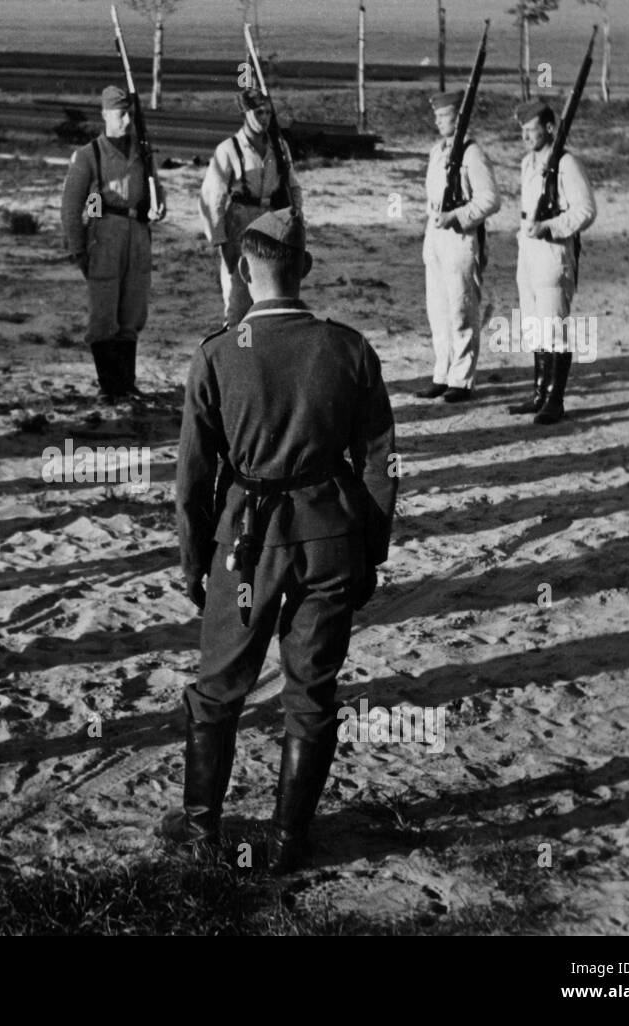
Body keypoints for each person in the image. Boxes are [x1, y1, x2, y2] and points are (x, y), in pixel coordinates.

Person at [167, 209, 396, 874]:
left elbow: (191, 478)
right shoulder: (349, 348)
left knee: (218, 690)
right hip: (330, 536)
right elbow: (380, 464)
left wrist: (191, 561)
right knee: (313, 692)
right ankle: (290, 842)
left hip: (246, 543)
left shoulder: (215, 355)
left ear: (243, 269)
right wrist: (369, 554)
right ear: (305, 269)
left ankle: (199, 830)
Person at [60, 85, 165, 402]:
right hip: (104, 236)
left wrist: (158, 207)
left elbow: (156, 190)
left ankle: (127, 383)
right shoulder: (89, 155)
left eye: (130, 112)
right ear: (105, 114)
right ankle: (109, 385)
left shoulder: (142, 152)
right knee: (104, 315)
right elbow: (70, 208)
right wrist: (78, 250)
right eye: (121, 113)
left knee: (132, 312)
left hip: (137, 235)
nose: (127, 119)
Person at [509, 98, 596, 425]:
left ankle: (555, 401)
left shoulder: (567, 163)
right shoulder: (528, 163)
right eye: (523, 132)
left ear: (549, 128)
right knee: (535, 324)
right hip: (529, 251)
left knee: (553, 325)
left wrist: (552, 227)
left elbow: (586, 210)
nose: (526, 137)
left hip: (553, 251)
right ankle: (539, 394)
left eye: (532, 130)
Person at [419, 89, 499, 403]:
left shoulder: (472, 153)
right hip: (436, 238)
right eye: (436, 116)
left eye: (444, 116)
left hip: (461, 239)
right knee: (438, 310)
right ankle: (443, 372)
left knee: (461, 309)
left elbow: (490, 199)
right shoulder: (437, 151)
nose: (438, 121)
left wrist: (458, 215)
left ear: (459, 117)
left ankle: (462, 378)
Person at [198, 88, 302, 327]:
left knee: (272, 299)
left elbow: (293, 186)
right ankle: (237, 353)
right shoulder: (229, 149)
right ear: (245, 113)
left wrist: (296, 222)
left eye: (267, 112)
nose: (264, 118)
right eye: (258, 112)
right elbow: (212, 198)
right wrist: (221, 241)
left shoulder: (279, 146)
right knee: (238, 302)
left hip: (273, 224)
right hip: (240, 225)